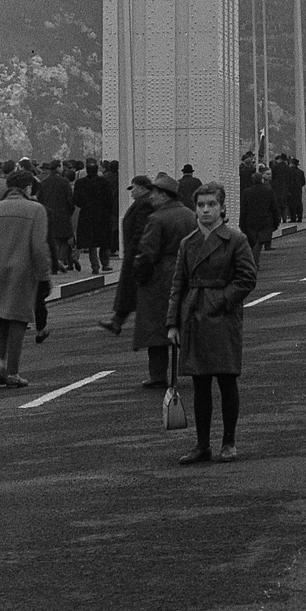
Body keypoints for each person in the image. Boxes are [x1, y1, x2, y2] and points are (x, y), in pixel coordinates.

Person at [166, 182, 258, 464]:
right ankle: (202, 444)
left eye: (211, 205)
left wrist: (220, 301)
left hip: (223, 317)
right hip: (193, 315)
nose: (206, 210)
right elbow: (177, 284)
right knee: (200, 381)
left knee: (227, 379)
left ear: (222, 208)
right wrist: (172, 324)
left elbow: (247, 278)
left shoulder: (236, 240)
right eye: (201, 205)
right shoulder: (188, 243)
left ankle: (228, 442)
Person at [0, 169, 52, 388]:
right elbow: (38, 247)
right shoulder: (36, 210)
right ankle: (13, 372)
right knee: (17, 320)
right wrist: (44, 275)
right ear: (27, 188)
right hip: (23, 272)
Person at [134, 174, 197, 388]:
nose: (151, 197)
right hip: (187, 272)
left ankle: (158, 374)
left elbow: (148, 253)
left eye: (154, 193)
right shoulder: (189, 214)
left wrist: (139, 274)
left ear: (164, 195)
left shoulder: (157, 219)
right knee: (184, 321)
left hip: (160, 276)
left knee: (156, 327)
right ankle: (197, 367)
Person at [99, 174, 155, 337]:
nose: (131, 192)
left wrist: (133, 250)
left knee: (135, 290)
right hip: (135, 253)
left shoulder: (144, 204)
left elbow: (141, 229)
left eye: (134, 188)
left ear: (142, 188)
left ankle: (122, 322)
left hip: (136, 254)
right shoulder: (142, 202)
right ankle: (118, 321)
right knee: (132, 290)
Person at [73, 160, 114, 273]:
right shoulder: (104, 182)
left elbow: (76, 200)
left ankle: (95, 266)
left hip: (87, 214)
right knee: (104, 241)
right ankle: (105, 264)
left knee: (91, 243)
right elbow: (110, 200)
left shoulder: (80, 183)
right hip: (102, 215)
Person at [240, 163, 279, 269]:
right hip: (265, 220)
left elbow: (243, 209)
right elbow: (274, 207)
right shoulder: (268, 190)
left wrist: (241, 223)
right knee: (259, 242)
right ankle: (254, 262)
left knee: (254, 241)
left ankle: (253, 262)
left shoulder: (246, 192)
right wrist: (277, 221)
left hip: (251, 220)